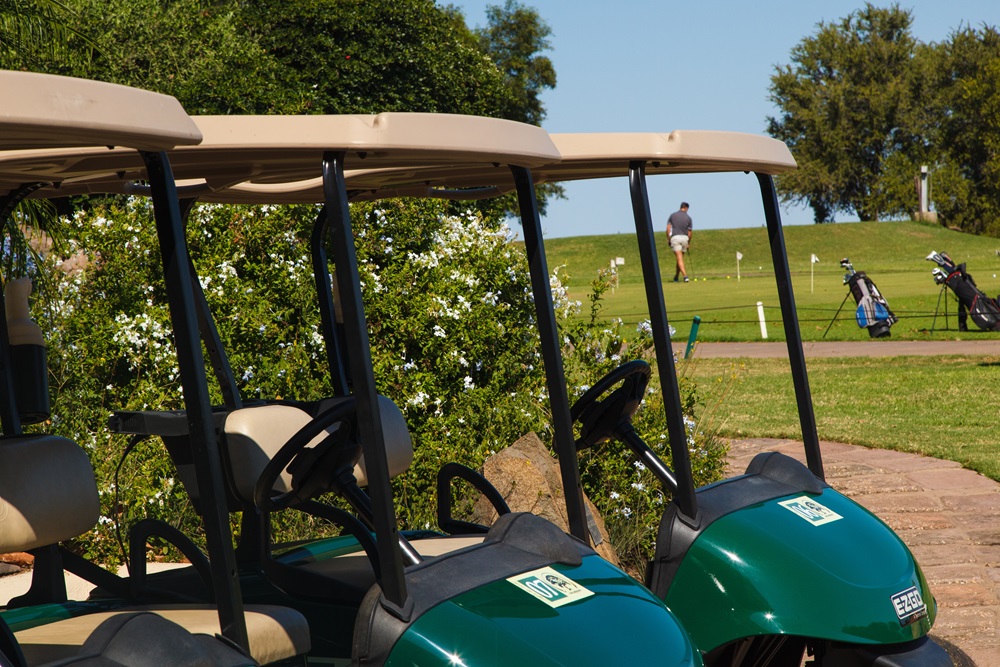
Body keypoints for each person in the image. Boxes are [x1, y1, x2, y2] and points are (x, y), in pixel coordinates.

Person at [666, 202, 692, 282]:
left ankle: (685, 276)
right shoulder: (688, 218)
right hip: (685, 238)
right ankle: (676, 277)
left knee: (679, 258)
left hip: (675, 237)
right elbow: (690, 232)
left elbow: (668, 229)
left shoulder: (672, 215)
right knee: (680, 258)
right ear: (686, 208)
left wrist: (668, 239)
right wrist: (689, 242)